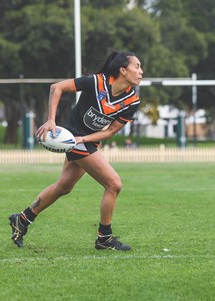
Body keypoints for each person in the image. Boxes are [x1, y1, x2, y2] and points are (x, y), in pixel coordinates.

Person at [8, 50, 143, 251]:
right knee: (114, 184)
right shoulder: (96, 82)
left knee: (64, 186)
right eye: (137, 66)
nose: (141, 71)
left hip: (83, 141)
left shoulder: (132, 101)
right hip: (74, 139)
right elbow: (57, 87)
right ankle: (104, 238)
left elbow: (111, 131)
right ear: (123, 70)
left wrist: (84, 139)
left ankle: (22, 219)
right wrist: (51, 120)